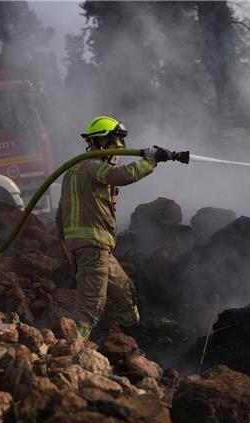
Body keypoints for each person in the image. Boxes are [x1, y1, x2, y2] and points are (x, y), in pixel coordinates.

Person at [55, 115, 178, 339]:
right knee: (90, 306)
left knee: (123, 290)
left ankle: (136, 334)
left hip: (97, 246)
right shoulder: (93, 166)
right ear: (102, 140)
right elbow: (121, 175)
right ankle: (71, 346)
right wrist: (151, 160)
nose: (121, 145)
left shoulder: (72, 171)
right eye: (117, 139)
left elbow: (61, 212)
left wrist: (68, 241)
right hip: (93, 245)